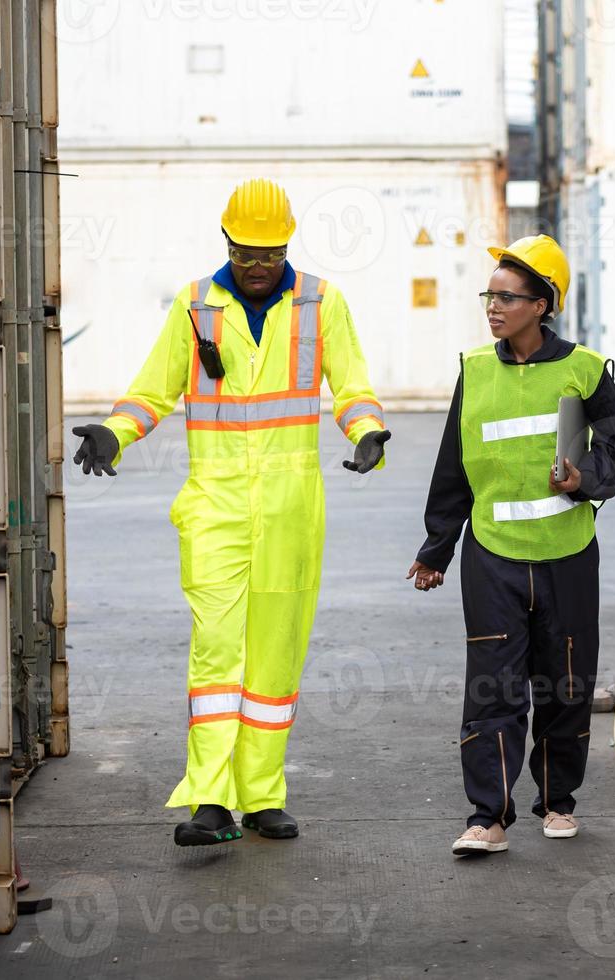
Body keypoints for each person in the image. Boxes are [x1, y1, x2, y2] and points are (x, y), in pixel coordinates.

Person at [72, 178, 391, 846]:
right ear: (227, 241)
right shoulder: (195, 306)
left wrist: (366, 434)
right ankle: (210, 800)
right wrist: (114, 432)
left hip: (291, 510)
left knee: (275, 656)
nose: (257, 265)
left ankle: (263, 797)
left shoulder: (322, 303)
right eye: (247, 252)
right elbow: (153, 391)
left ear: (286, 245)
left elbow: (351, 385)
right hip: (215, 507)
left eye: (270, 253)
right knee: (217, 651)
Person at [407, 235, 615, 856]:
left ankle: (558, 801)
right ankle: (489, 816)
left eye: (507, 297)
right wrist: (436, 550)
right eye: (490, 295)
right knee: (493, 686)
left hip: (566, 555)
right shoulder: (475, 370)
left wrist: (582, 479)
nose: (493, 307)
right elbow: (453, 467)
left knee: (563, 684)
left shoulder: (584, 370)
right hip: (493, 556)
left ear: (542, 304)